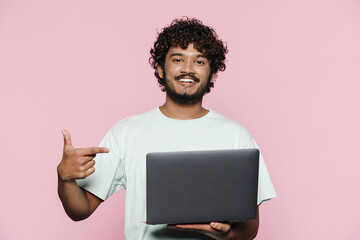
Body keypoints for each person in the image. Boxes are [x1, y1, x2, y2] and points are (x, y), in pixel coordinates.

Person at [57, 17, 276, 240]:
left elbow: (250, 228)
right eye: (178, 59)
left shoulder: (236, 136)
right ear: (160, 69)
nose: (188, 69)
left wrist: (225, 234)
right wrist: (65, 179)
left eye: (199, 61)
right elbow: (80, 210)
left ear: (213, 74)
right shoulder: (126, 133)